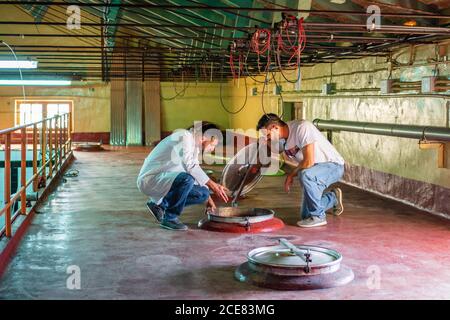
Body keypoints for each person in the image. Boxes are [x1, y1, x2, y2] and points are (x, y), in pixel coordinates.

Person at [256, 114, 345, 228]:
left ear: (274, 127)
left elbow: (309, 162)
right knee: (306, 215)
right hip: (314, 171)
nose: (268, 138)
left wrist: (291, 175)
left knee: (305, 175)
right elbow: (274, 150)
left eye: (268, 135)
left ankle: (319, 217)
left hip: (333, 166)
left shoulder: (302, 127)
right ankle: (333, 198)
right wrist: (265, 143)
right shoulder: (282, 138)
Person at [137, 122, 229, 231]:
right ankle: (170, 218)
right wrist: (214, 186)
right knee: (186, 179)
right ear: (205, 137)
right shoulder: (183, 136)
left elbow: (195, 173)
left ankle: (160, 205)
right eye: (213, 145)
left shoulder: (194, 148)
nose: (213, 149)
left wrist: (208, 197)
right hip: (150, 180)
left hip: (167, 180)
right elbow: (190, 167)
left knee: (203, 194)